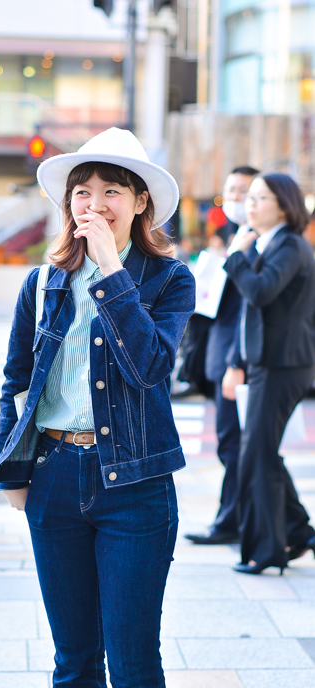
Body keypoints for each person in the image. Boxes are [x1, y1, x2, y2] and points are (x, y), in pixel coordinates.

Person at [0, 128, 195, 688]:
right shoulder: (43, 281)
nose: (94, 204)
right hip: (54, 479)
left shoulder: (168, 279)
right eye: (83, 192)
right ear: (68, 203)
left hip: (135, 485)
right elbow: (16, 379)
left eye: (111, 190)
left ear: (140, 203)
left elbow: (150, 367)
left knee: (132, 668)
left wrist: (111, 270)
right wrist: (13, 474)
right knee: (73, 662)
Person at [223, 172, 315, 574]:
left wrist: (235, 257)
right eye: (251, 197)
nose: (251, 203)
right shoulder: (271, 242)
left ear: (284, 204)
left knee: (256, 456)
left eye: (260, 197)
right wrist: (238, 362)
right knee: (260, 453)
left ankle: (267, 552)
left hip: (283, 364)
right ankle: (298, 531)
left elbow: (260, 291)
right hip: (266, 362)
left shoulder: (291, 245)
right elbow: (252, 313)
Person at [185, 166, 259, 545]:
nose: (235, 197)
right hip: (218, 354)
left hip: (235, 358)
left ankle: (232, 521)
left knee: (237, 445)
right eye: (230, 189)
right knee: (237, 445)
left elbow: (251, 309)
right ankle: (293, 526)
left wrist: (237, 363)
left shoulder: (254, 244)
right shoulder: (231, 239)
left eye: (244, 191)